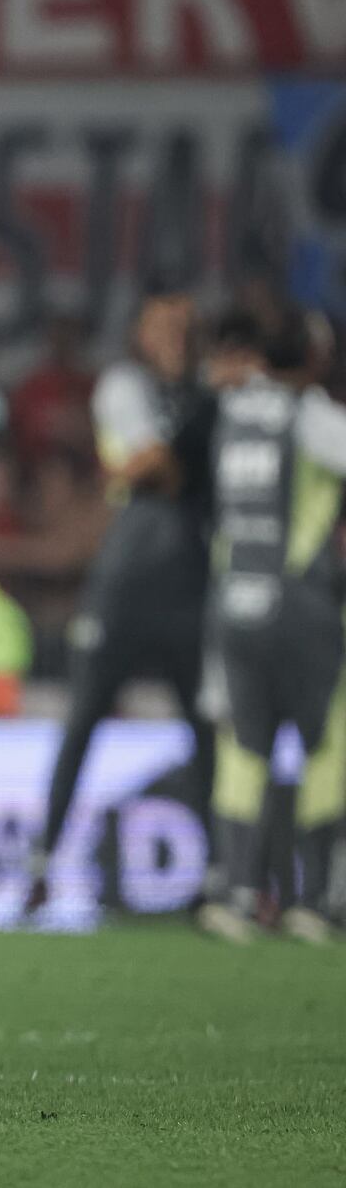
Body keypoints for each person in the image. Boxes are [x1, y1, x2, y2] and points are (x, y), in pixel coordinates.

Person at [26, 288, 217, 916]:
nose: (174, 338)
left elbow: (158, 467)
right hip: (125, 583)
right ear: (139, 330)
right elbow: (151, 467)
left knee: (206, 728)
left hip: (191, 584)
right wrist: (181, 447)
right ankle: (43, 865)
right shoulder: (124, 387)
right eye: (162, 324)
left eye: (184, 325)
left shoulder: (208, 395)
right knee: (82, 721)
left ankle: (223, 875)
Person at [196, 312, 346, 945]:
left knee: (244, 749)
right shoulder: (311, 415)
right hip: (302, 605)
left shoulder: (232, 413)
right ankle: (312, 902)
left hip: (236, 603)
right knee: (323, 748)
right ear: (313, 359)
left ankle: (235, 892)